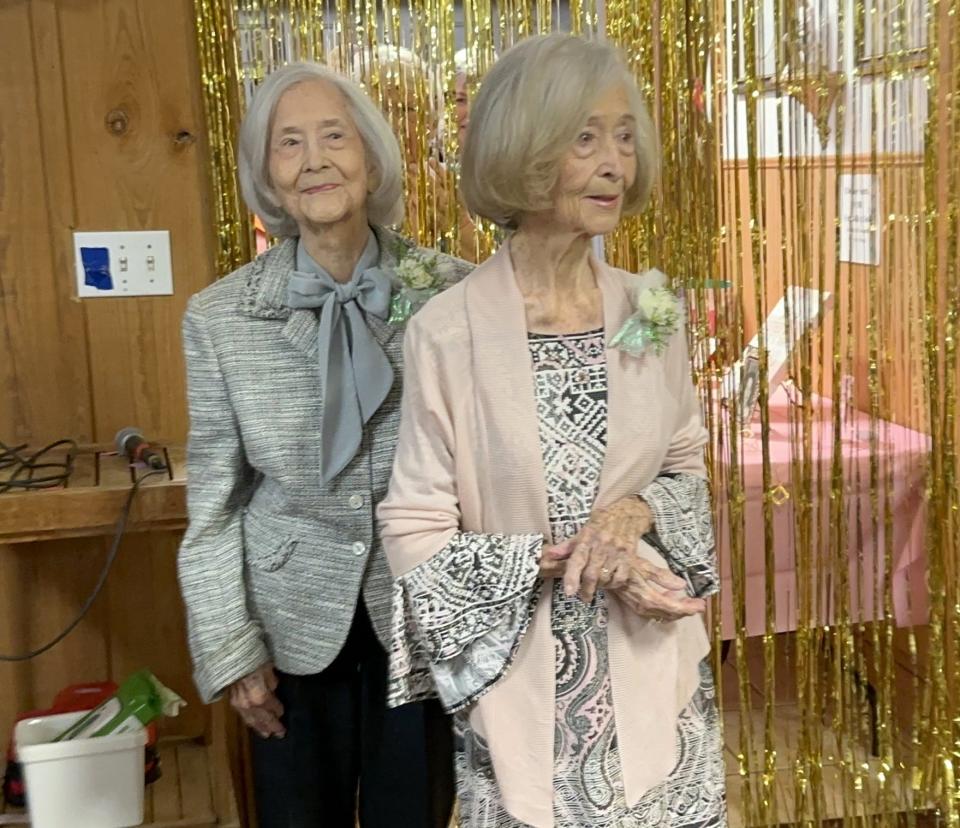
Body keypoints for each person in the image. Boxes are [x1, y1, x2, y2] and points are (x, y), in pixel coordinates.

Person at [379, 34, 726, 828]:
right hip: (523, 688)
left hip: (654, 678)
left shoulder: (652, 309)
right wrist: (563, 559)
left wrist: (632, 518)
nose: (615, 162)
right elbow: (413, 526)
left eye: (625, 136)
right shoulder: (447, 331)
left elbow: (684, 468)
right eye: (585, 138)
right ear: (525, 154)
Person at [177, 61, 471, 828]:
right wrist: (231, 648)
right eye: (289, 144)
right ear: (268, 180)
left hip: (420, 618)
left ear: (372, 159)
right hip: (287, 627)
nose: (315, 161)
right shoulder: (220, 318)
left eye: (335, 137)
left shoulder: (452, 292)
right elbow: (213, 504)